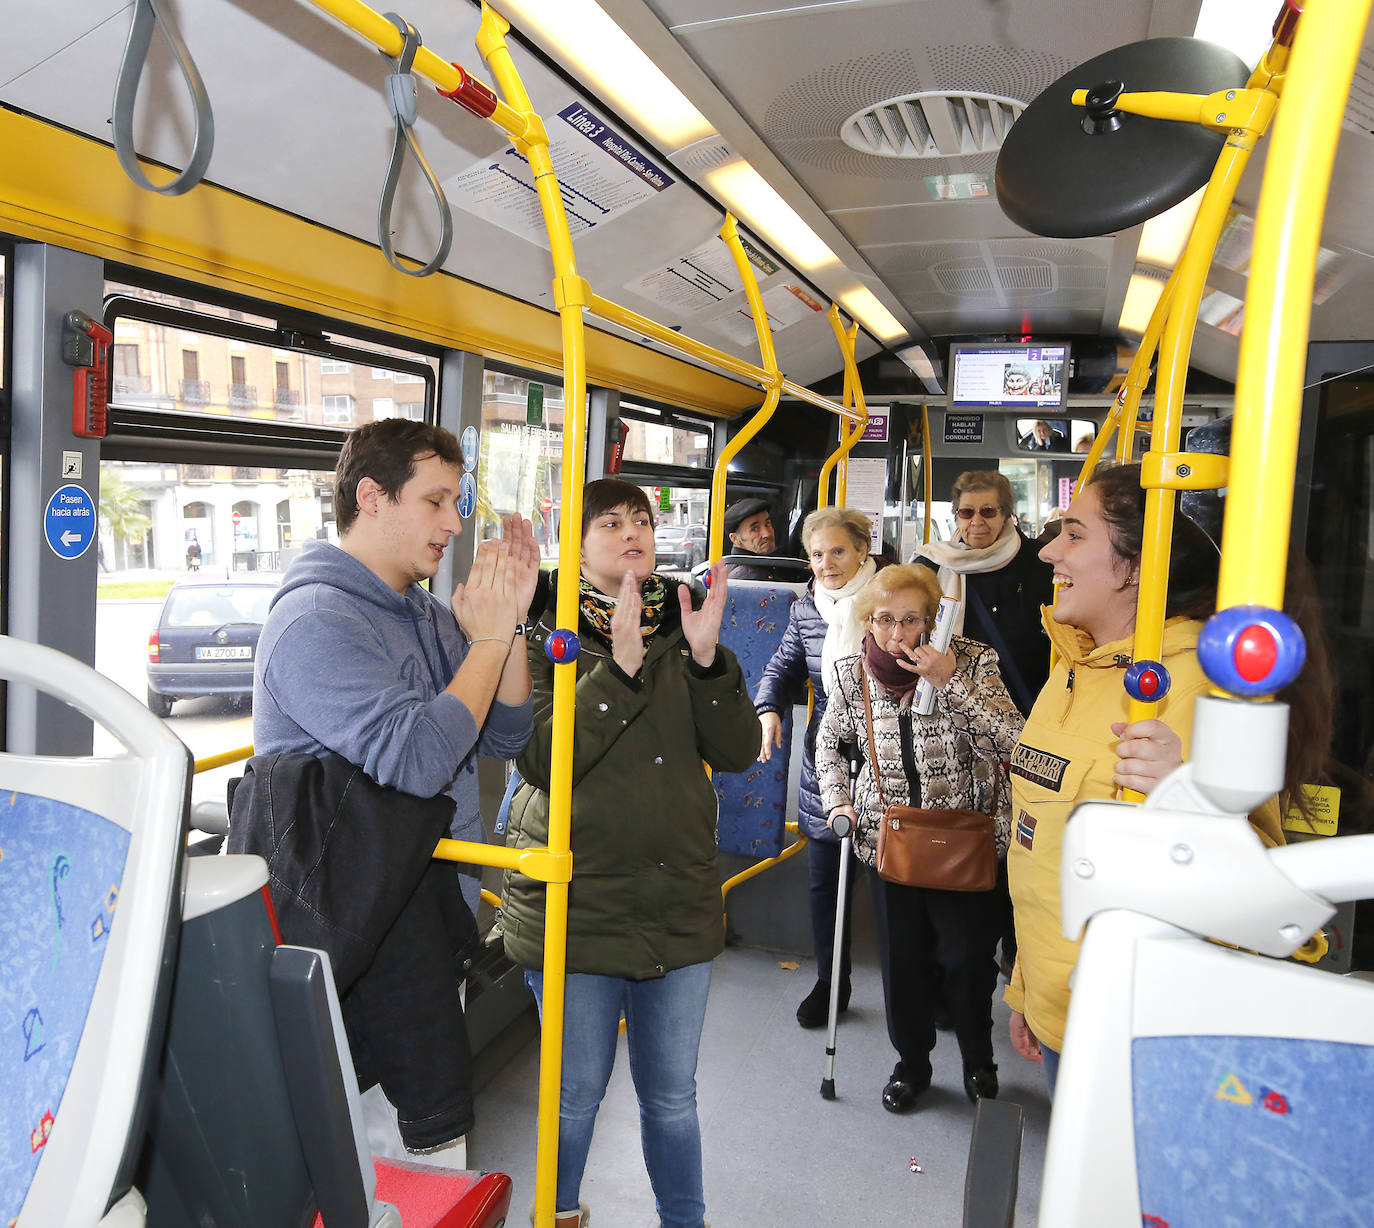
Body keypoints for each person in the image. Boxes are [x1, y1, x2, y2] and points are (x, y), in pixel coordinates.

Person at [250, 418, 537, 1158]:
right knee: (380, 1161)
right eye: (436, 501)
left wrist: (511, 627)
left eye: (456, 502)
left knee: (425, 1157)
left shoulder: (426, 615)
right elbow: (416, 760)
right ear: (372, 498)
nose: (454, 523)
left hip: (426, 921)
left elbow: (505, 737)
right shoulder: (315, 621)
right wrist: (488, 641)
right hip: (353, 941)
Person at [1004, 462, 1326, 1097]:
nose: (1047, 552)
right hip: (1060, 1004)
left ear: (1135, 567)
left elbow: (1268, 906)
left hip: (1140, 1023)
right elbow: (1037, 847)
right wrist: (1026, 989)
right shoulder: (1074, 669)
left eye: (1074, 534)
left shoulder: (1197, 687)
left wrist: (1190, 799)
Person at [501, 477, 759, 1228]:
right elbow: (541, 759)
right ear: (578, 544)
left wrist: (707, 664)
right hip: (579, 901)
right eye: (610, 522)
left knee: (673, 1095)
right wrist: (616, 672)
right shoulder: (542, 627)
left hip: (676, 895)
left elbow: (738, 750)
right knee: (575, 1093)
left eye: (641, 519)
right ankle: (557, 1215)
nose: (631, 532)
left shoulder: (681, 619)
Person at [815, 565, 1023, 1111]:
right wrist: (837, 799)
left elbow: (1013, 740)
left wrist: (948, 682)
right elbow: (830, 742)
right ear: (868, 621)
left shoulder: (972, 662)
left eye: (911, 620)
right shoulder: (851, 673)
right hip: (889, 841)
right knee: (903, 966)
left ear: (933, 622)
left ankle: (978, 1061)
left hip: (966, 841)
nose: (897, 633)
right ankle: (912, 1065)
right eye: (885, 619)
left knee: (966, 962)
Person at [913, 470, 1054, 976]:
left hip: (1027, 720)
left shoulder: (1040, 563)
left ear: (1007, 514)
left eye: (989, 512)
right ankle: (963, 962)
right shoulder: (931, 566)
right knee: (969, 839)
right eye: (967, 512)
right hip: (957, 725)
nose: (977, 522)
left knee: (1026, 842)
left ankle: (1019, 952)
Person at [755, 507, 885, 1028]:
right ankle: (832, 982)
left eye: (837, 551)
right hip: (828, 757)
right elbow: (782, 667)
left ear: (862, 551)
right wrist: (768, 708)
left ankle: (916, 987)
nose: (826, 563)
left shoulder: (891, 601)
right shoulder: (807, 608)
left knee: (893, 882)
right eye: (816, 554)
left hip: (887, 756)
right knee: (825, 882)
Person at [722, 497, 801, 581]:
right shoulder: (746, 577)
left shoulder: (767, 563)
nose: (767, 534)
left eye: (768, 524)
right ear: (735, 539)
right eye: (755, 529)